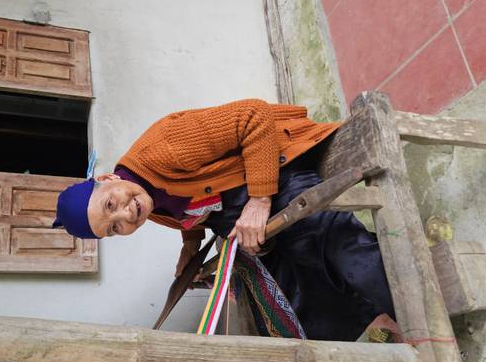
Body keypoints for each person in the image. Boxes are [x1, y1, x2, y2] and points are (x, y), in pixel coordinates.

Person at [53, 99, 395, 341]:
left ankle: (408, 312)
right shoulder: (147, 204)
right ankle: (372, 318)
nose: (126, 214)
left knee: (326, 243)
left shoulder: (163, 149)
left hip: (277, 167)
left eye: (111, 203)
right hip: (243, 215)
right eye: (114, 227)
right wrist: (189, 246)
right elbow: (194, 209)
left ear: (106, 180)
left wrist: (260, 200)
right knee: (279, 300)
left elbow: (253, 116)